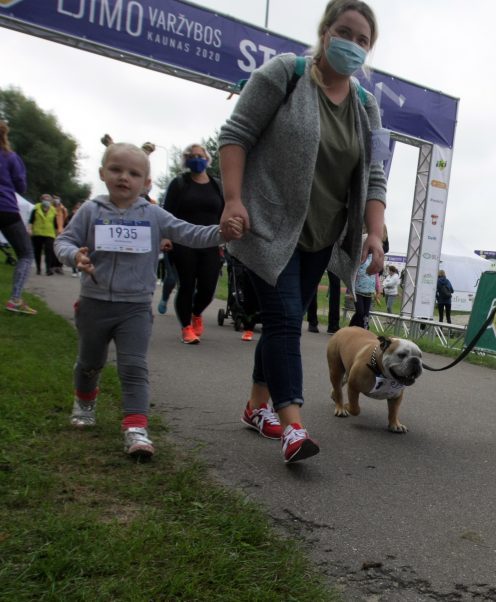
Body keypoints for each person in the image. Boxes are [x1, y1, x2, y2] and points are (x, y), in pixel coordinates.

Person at [218, 0, 386, 463]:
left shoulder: (367, 108)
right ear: (325, 31)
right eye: (345, 32)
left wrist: (374, 232)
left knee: (280, 321)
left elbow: (375, 176)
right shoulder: (285, 75)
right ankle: (293, 426)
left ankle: (256, 406)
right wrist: (233, 199)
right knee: (286, 319)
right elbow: (236, 134)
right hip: (268, 224)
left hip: (322, 235)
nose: (352, 44)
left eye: (363, 40)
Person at [54, 142, 241, 457]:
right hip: (94, 304)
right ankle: (84, 404)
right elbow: (64, 241)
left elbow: (190, 233)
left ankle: (136, 428)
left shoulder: (153, 214)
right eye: (116, 170)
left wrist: (222, 234)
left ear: (147, 182)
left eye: (134, 173)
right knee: (90, 363)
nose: (124, 177)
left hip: (136, 308)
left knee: (133, 366)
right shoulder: (90, 210)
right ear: (102, 174)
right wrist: (75, 256)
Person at [162, 143, 225, 344]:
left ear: (207, 159)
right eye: (192, 155)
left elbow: (224, 212)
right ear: (187, 160)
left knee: (208, 288)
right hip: (184, 243)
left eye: (200, 155)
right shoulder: (179, 184)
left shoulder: (217, 186)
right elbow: (166, 213)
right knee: (186, 286)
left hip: (211, 242)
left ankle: (197, 312)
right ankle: (186, 327)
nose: (197, 158)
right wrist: (166, 237)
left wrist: (226, 238)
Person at [0, 119, 36, 314]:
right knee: (25, 254)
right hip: (6, 209)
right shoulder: (10, 157)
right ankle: (15, 299)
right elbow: (21, 186)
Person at [349, 246, 378, 329]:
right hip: (358, 290)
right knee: (360, 312)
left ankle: (360, 329)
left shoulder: (374, 258)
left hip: (369, 291)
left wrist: (378, 289)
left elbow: (376, 275)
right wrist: (350, 290)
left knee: (365, 314)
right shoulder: (359, 257)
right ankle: (355, 329)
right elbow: (353, 274)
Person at [29, 193, 58, 276]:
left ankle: (48, 269)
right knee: (37, 251)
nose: (47, 201)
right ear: (41, 200)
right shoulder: (36, 208)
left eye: (48, 200)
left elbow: (55, 224)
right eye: (45, 199)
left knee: (49, 251)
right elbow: (31, 220)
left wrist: (57, 234)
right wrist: (30, 229)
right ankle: (38, 268)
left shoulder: (53, 210)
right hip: (37, 233)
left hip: (49, 234)